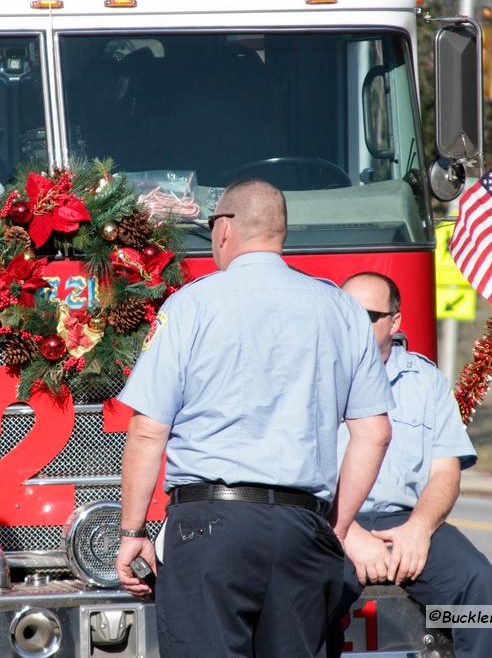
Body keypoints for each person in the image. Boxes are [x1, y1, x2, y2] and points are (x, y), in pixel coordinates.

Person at [115, 178, 394, 657]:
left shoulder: (190, 305)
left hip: (208, 530)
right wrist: (337, 528)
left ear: (224, 230)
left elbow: (147, 430)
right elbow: (374, 433)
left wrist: (132, 533)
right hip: (303, 528)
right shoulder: (343, 310)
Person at [328, 272, 492, 658]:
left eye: (368, 315)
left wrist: (420, 529)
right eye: (344, 312)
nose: (352, 324)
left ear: (395, 322)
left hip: (408, 521)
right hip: (330, 525)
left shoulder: (426, 382)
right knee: (297, 595)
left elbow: (446, 472)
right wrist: (347, 533)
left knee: (481, 586)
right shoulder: (311, 377)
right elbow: (296, 473)